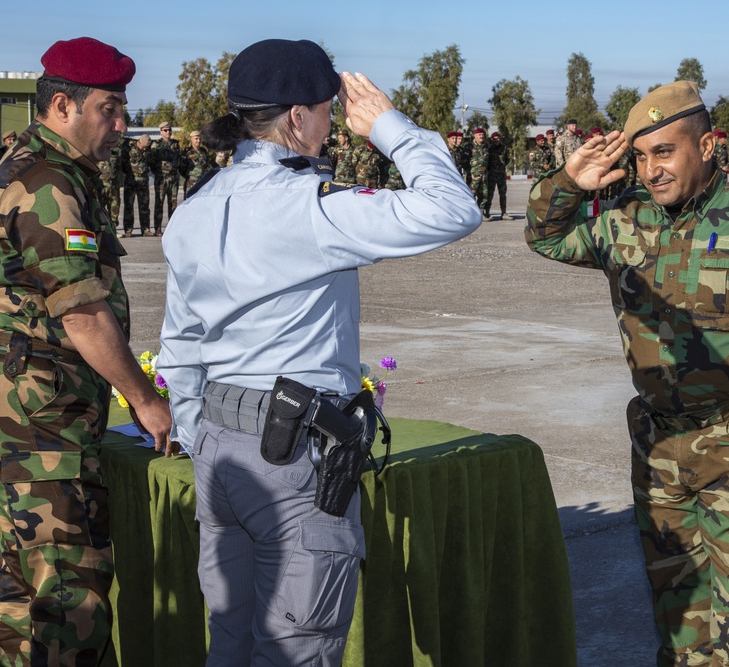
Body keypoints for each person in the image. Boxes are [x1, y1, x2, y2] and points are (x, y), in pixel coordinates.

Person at [157, 38, 481, 666]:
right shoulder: (310, 205)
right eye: (330, 112)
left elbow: (181, 342)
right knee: (297, 650)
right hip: (292, 453)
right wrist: (390, 126)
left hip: (222, 451)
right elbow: (453, 208)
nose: (334, 126)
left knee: (230, 642)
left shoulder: (194, 208)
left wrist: (201, 437)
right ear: (298, 119)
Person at [525, 80, 729, 666]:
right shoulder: (623, 222)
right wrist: (572, 182)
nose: (650, 171)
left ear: (708, 145)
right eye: (640, 158)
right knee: (678, 604)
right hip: (656, 440)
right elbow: (544, 236)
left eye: (665, 152)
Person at [0, 36, 174, 666]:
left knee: (28, 585)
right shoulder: (50, 181)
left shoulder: (42, 164)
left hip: (18, 400)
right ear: (62, 106)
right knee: (68, 591)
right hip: (39, 411)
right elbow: (80, 310)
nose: (122, 125)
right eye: (110, 109)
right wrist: (145, 399)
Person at [151, 121, 181, 235]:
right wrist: (159, 172)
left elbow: (179, 160)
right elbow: (151, 162)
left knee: (173, 204)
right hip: (161, 179)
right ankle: (158, 229)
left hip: (173, 178)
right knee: (159, 203)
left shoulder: (176, 144)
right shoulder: (156, 145)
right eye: (165, 130)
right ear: (161, 132)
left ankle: (172, 228)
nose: (168, 132)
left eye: (169, 130)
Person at [122, 133, 152, 236]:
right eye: (143, 147)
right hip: (131, 180)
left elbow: (151, 163)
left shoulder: (149, 150)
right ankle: (128, 230)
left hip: (143, 181)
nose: (144, 149)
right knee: (129, 206)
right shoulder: (128, 149)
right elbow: (122, 163)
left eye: (146, 148)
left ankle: (146, 229)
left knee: (144, 206)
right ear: (138, 142)